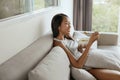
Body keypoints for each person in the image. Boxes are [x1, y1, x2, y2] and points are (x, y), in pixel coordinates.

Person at [51, 13, 120, 80]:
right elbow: (78, 65)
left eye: (70, 23)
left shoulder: (67, 36)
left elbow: (77, 49)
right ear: (58, 27)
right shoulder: (58, 43)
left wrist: (82, 46)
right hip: (88, 65)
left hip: (92, 56)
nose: (70, 26)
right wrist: (90, 43)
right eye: (66, 23)